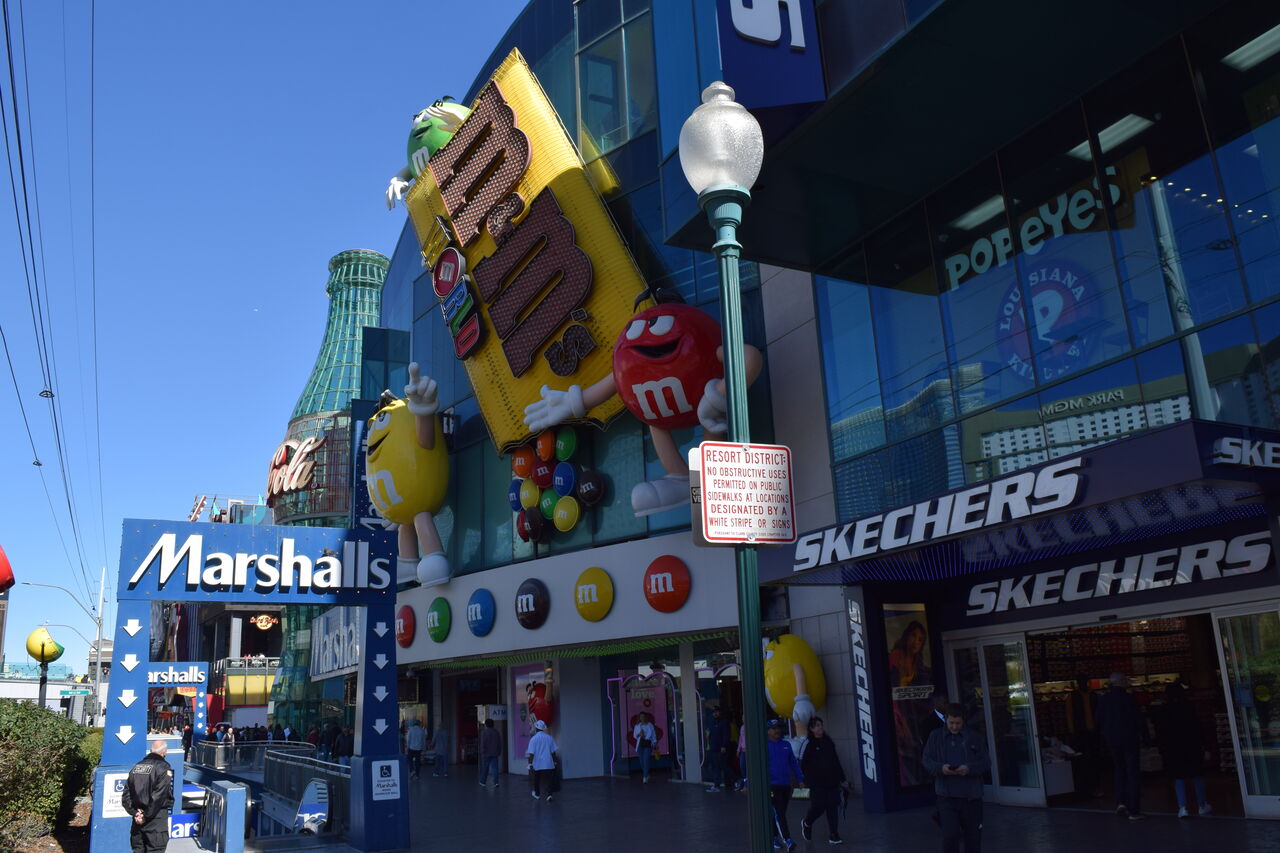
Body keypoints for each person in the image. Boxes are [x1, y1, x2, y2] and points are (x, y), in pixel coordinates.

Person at [922, 704, 989, 853]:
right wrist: (941, 768)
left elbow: (985, 763)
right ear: (946, 719)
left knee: (973, 839)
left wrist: (969, 769)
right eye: (951, 723)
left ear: (963, 720)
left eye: (958, 723)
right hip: (946, 797)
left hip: (971, 797)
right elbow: (926, 760)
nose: (954, 726)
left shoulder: (974, 737)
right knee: (950, 836)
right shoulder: (936, 736)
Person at [1154, 682, 1212, 818]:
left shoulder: (1162, 710)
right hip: (1192, 746)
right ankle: (1202, 805)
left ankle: (1183, 807)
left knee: (1178, 777)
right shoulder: (1189, 708)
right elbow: (1198, 728)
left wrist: (1162, 749)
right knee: (1197, 775)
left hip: (1173, 749)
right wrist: (1205, 747)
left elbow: (1160, 732)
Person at [1097, 672, 1145, 820]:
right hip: (1129, 739)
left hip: (1112, 740)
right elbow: (1138, 719)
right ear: (1121, 682)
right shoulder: (1129, 698)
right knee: (1132, 772)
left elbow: (1099, 719)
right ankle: (1134, 809)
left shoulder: (1104, 699)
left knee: (1119, 770)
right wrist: (1146, 737)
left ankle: (1121, 801)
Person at [799, 716, 850, 846]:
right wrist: (802, 779)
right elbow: (802, 763)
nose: (820, 727)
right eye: (817, 725)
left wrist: (843, 779)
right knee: (818, 806)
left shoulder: (828, 742)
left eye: (821, 725)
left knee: (832, 806)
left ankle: (834, 834)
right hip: (816, 783)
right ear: (811, 729)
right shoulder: (808, 744)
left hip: (832, 781)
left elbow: (836, 761)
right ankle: (807, 823)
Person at [122, 739, 174, 853]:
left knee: (138, 849)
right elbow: (159, 796)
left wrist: (135, 813)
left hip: (137, 820)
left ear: (151, 751)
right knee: (155, 849)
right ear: (164, 752)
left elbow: (126, 795)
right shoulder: (163, 767)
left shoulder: (137, 766)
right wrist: (145, 815)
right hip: (155, 819)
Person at [765, 718, 804, 850]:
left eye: (778, 728)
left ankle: (773, 836)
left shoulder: (786, 744)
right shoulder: (764, 746)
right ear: (768, 731)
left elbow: (793, 763)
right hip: (772, 785)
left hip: (786, 785)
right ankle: (787, 840)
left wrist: (800, 779)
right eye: (773, 728)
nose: (777, 730)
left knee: (780, 813)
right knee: (779, 813)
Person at [527, 719, 559, 801]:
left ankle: (537, 794)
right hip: (548, 762)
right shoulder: (549, 738)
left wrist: (530, 763)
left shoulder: (533, 739)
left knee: (537, 779)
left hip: (537, 763)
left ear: (536, 728)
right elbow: (553, 752)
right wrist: (555, 761)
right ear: (543, 728)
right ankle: (549, 795)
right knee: (549, 779)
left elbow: (531, 753)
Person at [705, 706, 731, 792]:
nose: (715, 713)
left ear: (720, 712)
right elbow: (709, 734)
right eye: (714, 712)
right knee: (715, 767)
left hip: (721, 749)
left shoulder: (724, 722)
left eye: (717, 711)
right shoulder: (711, 723)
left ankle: (733, 782)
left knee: (724, 767)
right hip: (713, 748)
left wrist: (724, 746)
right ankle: (716, 785)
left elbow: (726, 735)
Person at [633, 711, 658, 783]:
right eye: (641, 716)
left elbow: (653, 734)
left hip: (647, 744)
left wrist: (654, 742)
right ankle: (647, 774)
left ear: (645, 717)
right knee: (642, 762)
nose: (642, 718)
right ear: (639, 718)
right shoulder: (637, 726)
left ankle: (644, 777)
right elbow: (634, 736)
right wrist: (639, 734)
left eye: (643, 716)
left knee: (646, 760)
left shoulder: (649, 725)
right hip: (640, 745)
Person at [479, 718, 503, 787]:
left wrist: (482, 751)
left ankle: (483, 782)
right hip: (495, 753)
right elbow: (499, 743)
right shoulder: (496, 732)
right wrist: (499, 751)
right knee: (495, 768)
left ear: (486, 725)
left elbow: (483, 743)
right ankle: (496, 782)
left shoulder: (484, 732)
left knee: (485, 768)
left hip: (486, 753)